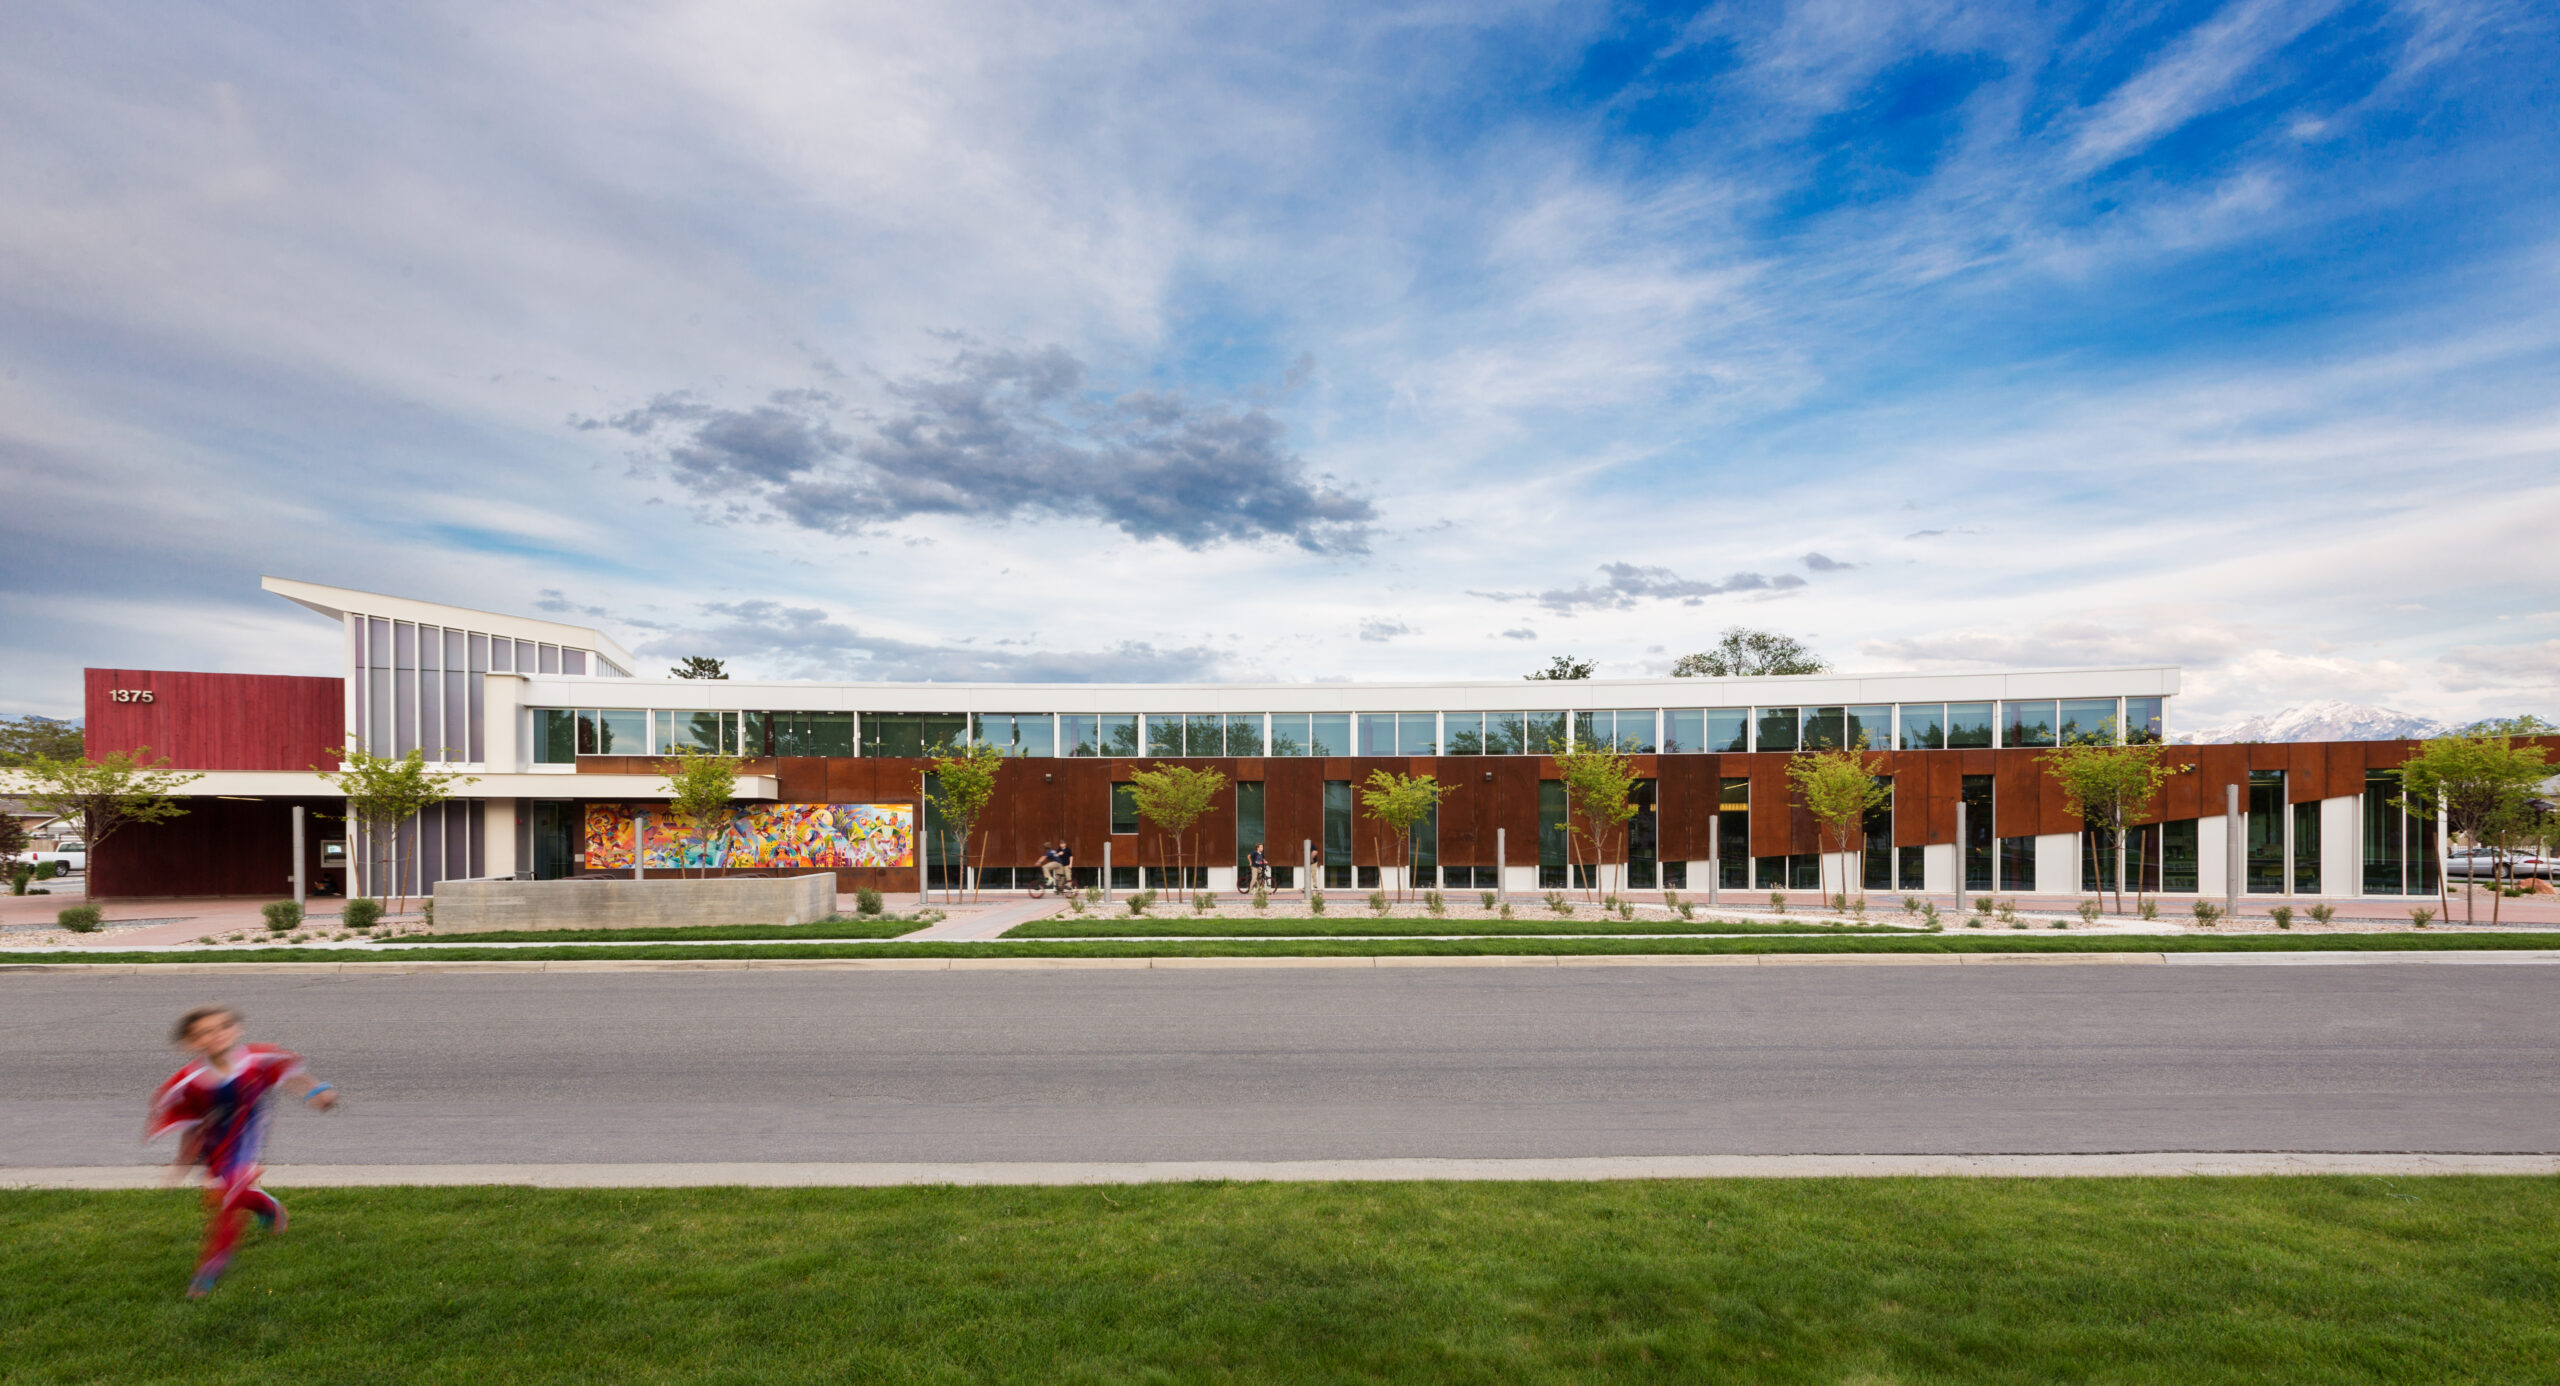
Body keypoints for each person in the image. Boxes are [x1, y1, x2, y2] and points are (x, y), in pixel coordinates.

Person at [146, 1005, 339, 1298]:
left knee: (228, 1197)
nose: (215, 1036)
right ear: (191, 1043)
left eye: (223, 1027)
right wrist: (181, 1164)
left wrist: (317, 1092)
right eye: (204, 1033)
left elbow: (289, 1074)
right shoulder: (190, 1082)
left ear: (237, 1029)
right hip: (216, 1145)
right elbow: (191, 1126)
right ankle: (266, 1205)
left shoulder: (257, 1060)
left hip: (249, 1135)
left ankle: (211, 1266)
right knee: (227, 1193)